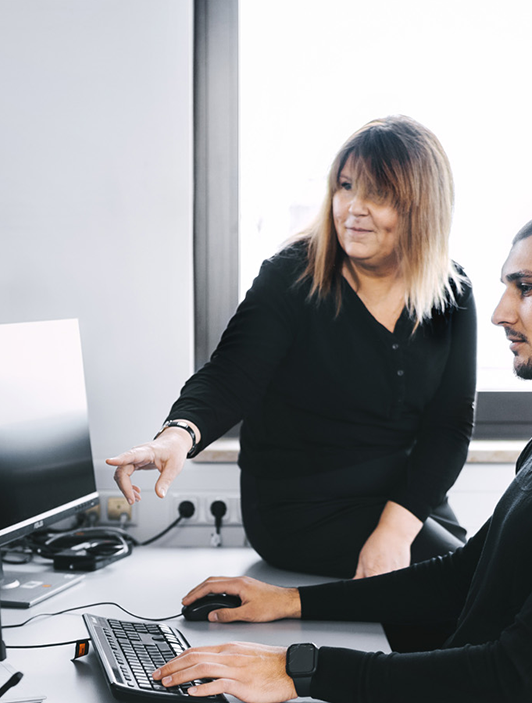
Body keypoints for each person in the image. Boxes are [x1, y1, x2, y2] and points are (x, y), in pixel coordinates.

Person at [153, 197, 532, 703]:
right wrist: (291, 603)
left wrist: (300, 670)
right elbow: (466, 576)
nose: (499, 312)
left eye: (527, 288)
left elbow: (520, 682)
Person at [107, 116, 476, 579]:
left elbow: (451, 424)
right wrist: (177, 436)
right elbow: (230, 376)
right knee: (456, 584)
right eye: (345, 186)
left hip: (403, 498)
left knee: (477, 578)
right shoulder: (292, 275)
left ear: (423, 206)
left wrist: (396, 530)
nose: (353, 208)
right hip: (303, 506)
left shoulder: (451, 291)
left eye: (377, 194)